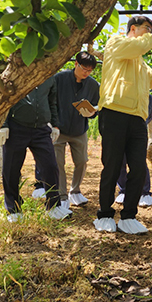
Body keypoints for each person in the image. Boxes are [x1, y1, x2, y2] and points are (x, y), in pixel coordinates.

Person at [94, 16, 152, 234]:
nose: (150, 33)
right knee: (112, 166)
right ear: (133, 29)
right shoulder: (116, 43)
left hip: (137, 118)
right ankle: (105, 214)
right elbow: (138, 46)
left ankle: (128, 216)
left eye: (151, 30)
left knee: (138, 167)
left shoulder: (141, 63)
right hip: (114, 112)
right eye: (147, 29)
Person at [0, 77, 71, 222]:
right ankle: (13, 208)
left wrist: (55, 124)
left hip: (42, 128)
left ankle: (54, 206)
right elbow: (4, 98)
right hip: (17, 127)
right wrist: (3, 124)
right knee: (11, 169)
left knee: (50, 166)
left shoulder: (49, 77)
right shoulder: (19, 73)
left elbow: (52, 102)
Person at [53, 52, 100, 209]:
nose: (86, 72)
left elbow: (97, 106)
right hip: (59, 128)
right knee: (58, 163)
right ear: (75, 64)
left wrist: (93, 112)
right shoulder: (60, 79)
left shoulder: (93, 85)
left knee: (81, 161)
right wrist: (54, 124)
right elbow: (51, 100)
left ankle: (75, 190)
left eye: (89, 70)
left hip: (79, 129)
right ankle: (62, 194)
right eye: (83, 68)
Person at [115, 95, 152, 206]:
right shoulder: (124, 94)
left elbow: (147, 117)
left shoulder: (151, 100)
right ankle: (123, 190)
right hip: (120, 130)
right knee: (120, 161)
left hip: (138, 133)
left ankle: (144, 192)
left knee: (139, 163)